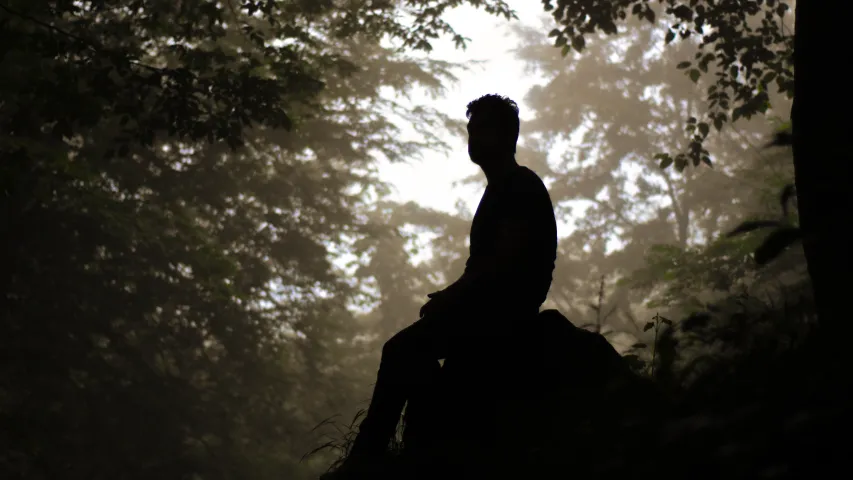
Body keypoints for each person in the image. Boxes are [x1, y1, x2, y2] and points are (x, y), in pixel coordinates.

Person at [324, 94, 558, 478]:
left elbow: (504, 262)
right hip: (489, 309)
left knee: (400, 350)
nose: (472, 137)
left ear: (504, 134)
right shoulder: (502, 187)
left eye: (480, 128)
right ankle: (414, 443)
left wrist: (452, 297)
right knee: (415, 359)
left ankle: (366, 458)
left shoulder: (519, 185)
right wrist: (454, 296)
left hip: (502, 314)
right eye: (470, 129)